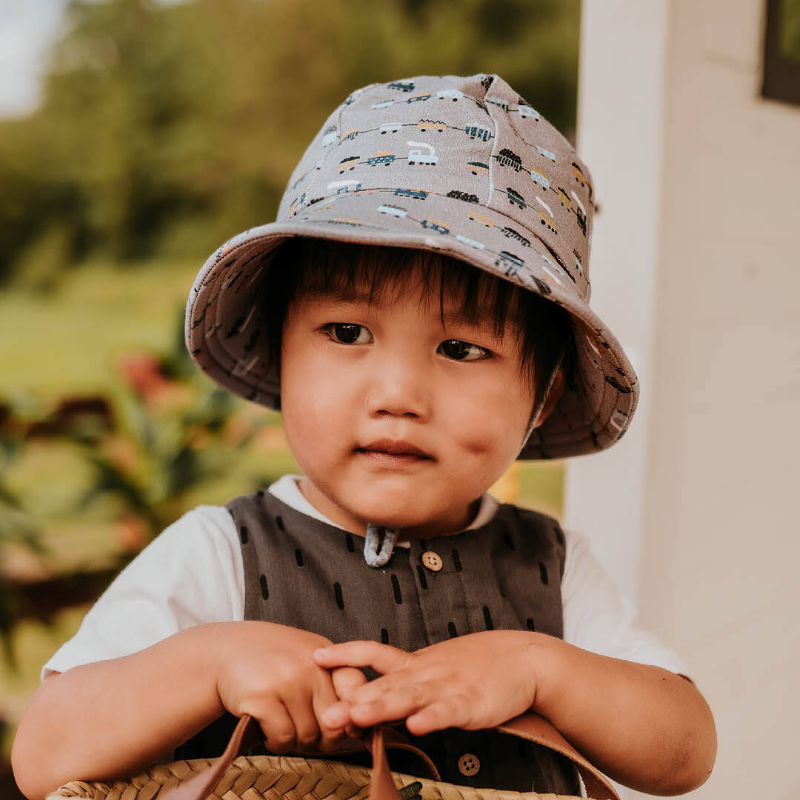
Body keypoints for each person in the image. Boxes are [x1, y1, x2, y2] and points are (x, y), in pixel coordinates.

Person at [11, 73, 716, 800]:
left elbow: (685, 749)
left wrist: (540, 669)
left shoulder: (553, 570)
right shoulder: (221, 556)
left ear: (543, 399)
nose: (398, 396)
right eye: (347, 332)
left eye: (462, 349)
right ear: (280, 353)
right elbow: (43, 757)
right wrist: (209, 664)